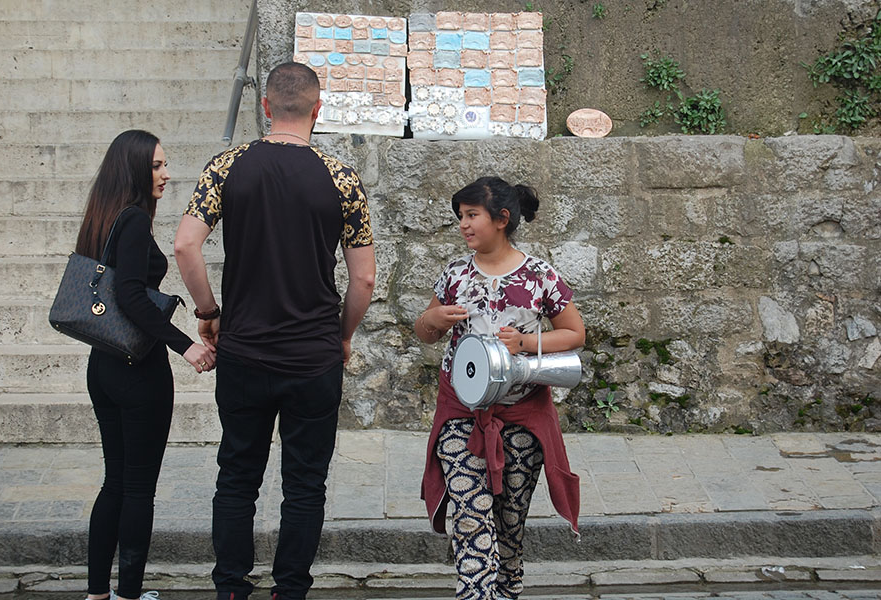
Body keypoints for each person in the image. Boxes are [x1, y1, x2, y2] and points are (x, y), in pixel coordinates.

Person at [173, 62, 376, 600]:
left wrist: (207, 311)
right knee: (305, 486)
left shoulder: (226, 167)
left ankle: (232, 588)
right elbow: (365, 278)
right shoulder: (342, 179)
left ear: (265, 107)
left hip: (243, 353)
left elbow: (185, 246)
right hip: (313, 357)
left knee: (237, 475)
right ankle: (290, 590)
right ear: (318, 109)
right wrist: (343, 334)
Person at [417, 177, 586, 600]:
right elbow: (424, 328)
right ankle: (475, 593)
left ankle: (506, 589)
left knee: (509, 527)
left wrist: (526, 343)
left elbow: (575, 333)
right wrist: (433, 322)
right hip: (461, 415)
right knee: (472, 518)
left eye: (472, 215)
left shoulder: (538, 275)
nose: (463, 225)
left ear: (502, 219)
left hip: (523, 416)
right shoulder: (455, 273)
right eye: (460, 216)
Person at [78, 130, 216, 600]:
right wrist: (186, 346)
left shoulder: (103, 216)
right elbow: (130, 295)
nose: (166, 174)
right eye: (157, 165)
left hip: (103, 367)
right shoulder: (133, 220)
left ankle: (99, 593)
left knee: (114, 481)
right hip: (138, 370)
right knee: (138, 488)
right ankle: (129, 595)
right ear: (135, 169)